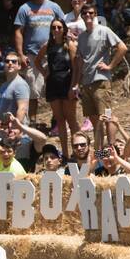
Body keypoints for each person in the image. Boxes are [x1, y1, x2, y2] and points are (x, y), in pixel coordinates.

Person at [71, 2, 126, 150]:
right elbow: (80, 62)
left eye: (91, 13)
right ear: (81, 16)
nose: (88, 15)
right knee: (96, 121)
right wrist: (77, 83)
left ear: (95, 15)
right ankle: (100, 154)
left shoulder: (104, 30)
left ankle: (112, 150)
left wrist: (110, 66)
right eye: (85, 13)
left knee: (107, 117)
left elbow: (122, 47)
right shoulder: (81, 37)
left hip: (100, 82)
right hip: (86, 83)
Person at [13, 0, 65, 114]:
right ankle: (33, 122)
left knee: (56, 88)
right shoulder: (24, 9)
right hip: (32, 55)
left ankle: (56, 121)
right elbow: (18, 32)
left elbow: (64, 27)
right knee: (32, 92)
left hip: (53, 54)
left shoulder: (54, 7)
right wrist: (20, 54)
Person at [37, 18, 77, 160]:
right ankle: (65, 154)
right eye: (53, 27)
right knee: (59, 120)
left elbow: (76, 67)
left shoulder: (70, 45)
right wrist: (45, 73)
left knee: (71, 120)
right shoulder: (48, 45)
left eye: (59, 27)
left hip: (67, 83)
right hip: (53, 84)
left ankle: (77, 152)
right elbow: (37, 61)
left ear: (64, 29)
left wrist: (74, 86)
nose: (56, 30)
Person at [0, 52, 30, 122]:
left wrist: (16, 129)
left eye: (14, 61)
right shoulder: (4, 85)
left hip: (15, 130)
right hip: (3, 129)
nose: (10, 63)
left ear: (19, 66)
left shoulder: (20, 84)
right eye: (7, 61)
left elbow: (22, 109)